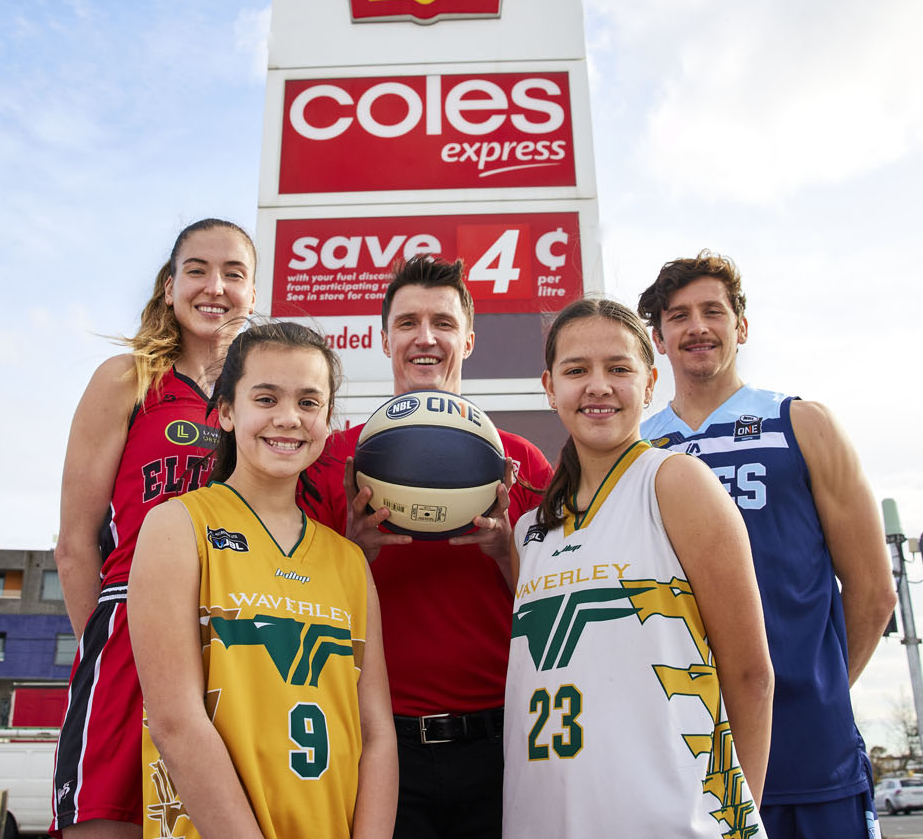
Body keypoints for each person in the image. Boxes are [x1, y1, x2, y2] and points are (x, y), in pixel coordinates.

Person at [636, 251, 897, 839]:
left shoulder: (801, 423)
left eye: (713, 311)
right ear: (658, 338)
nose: (697, 326)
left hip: (808, 745)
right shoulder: (637, 451)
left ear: (741, 326)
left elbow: (875, 590)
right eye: (678, 316)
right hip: (680, 746)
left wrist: (812, 686)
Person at [301, 255, 554, 839]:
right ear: (383, 336)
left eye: (442, 322)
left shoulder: (520, 460)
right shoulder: (332, 459)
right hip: (376, 743)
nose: (425, 338)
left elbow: (551, 609)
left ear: (468, 338)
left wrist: (504, 554)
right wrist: (353, 554)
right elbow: (295, 606)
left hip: (499, 741)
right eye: (408, 322)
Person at [503, 297, 773, 838]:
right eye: (577, 370)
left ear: (650, 383)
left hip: (673, 821)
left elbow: (750, 675)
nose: (598, 386)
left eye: (618, 368)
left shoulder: (675, 482)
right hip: (545, 819)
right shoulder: (529, 529)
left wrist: (733, 818)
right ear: (549, 387)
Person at [130, 321, 397, 839]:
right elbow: (175, 723)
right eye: (267, 398)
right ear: (228, 411)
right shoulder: (178, 526)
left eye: (308, 402)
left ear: (328, 418)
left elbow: (377, 734)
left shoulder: (348, 561)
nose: (288, 418)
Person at [53, 218, 258, 839]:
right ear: (169, 286)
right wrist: (112, 640)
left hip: (237, 631)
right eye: (196, 269)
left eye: (234, 274)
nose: (214, 286)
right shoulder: (127, 379)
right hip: (130, 631)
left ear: (253, 292)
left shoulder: (262, 397)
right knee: (110, 822)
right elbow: (73, 544)